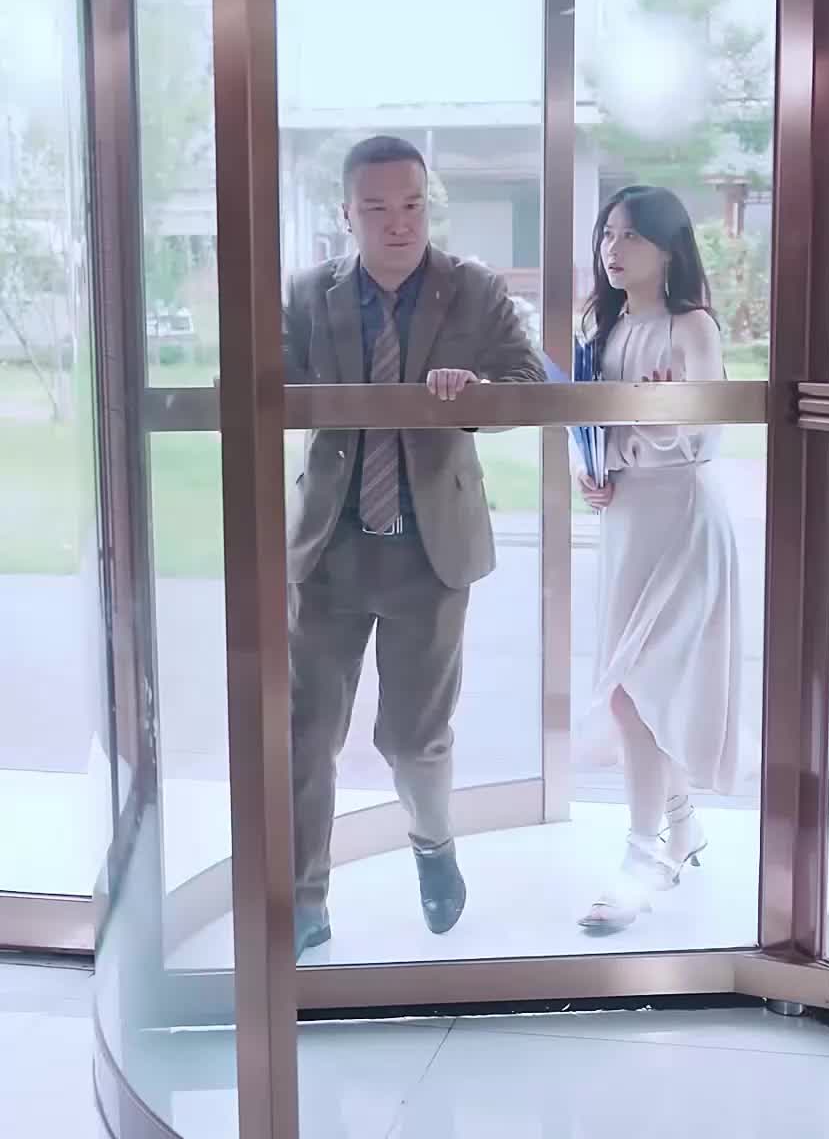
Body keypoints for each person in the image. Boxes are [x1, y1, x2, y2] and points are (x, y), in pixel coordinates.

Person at [284, 134, 546, 958]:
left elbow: (529, 386)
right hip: (328, 549)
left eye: (412, 205)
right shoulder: (308, 295)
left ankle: (433, 845)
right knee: (303, 733)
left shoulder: (473, 289)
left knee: (410, 737)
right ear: (346, 215)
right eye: (377, 208)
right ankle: (303, 897)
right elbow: (268, 386)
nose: (398, 223)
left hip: (429, 552)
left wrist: (477, 394)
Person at [575, 184, 741, 936]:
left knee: (634, 691)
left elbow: (703, 435)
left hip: (681, 521)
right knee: (636, 688)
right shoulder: (605, 331)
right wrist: (590, 471)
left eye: (632, 236)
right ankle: (681, 829)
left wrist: (657, 418)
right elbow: (596, 428)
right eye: (608, 234)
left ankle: (642, 858)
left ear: (670, 248)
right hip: (627, 524)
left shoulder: (691, 325)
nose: (614, 249)